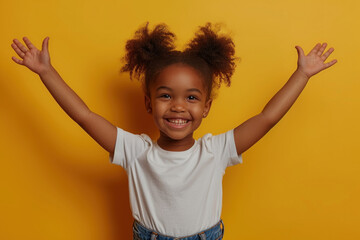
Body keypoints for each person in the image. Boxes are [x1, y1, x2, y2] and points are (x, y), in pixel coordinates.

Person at [11, 22, 337, 240]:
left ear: (206, 107)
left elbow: (266, 118)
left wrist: (302, 76)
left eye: (191, 98)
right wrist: (46, 72)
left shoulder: (216, 150)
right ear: (149, 104)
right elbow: (84, 116)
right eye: (166, 96)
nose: (178, 107)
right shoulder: (134, 151)